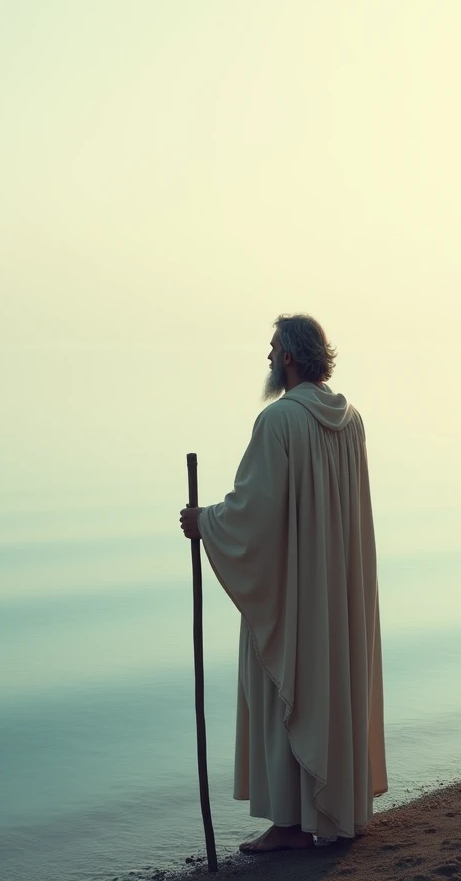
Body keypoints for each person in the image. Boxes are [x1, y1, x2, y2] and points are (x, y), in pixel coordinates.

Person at [179, 313, 388, 853]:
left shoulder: (278, 422)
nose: (269, 357)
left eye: (273, 349)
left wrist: (205, 523)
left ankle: (292, 825)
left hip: (296, 593)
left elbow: (254, 512)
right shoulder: (353, 419)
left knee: (281, 687)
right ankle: (339, 808)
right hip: (336, 591)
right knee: (332, 684)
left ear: (291, 357)